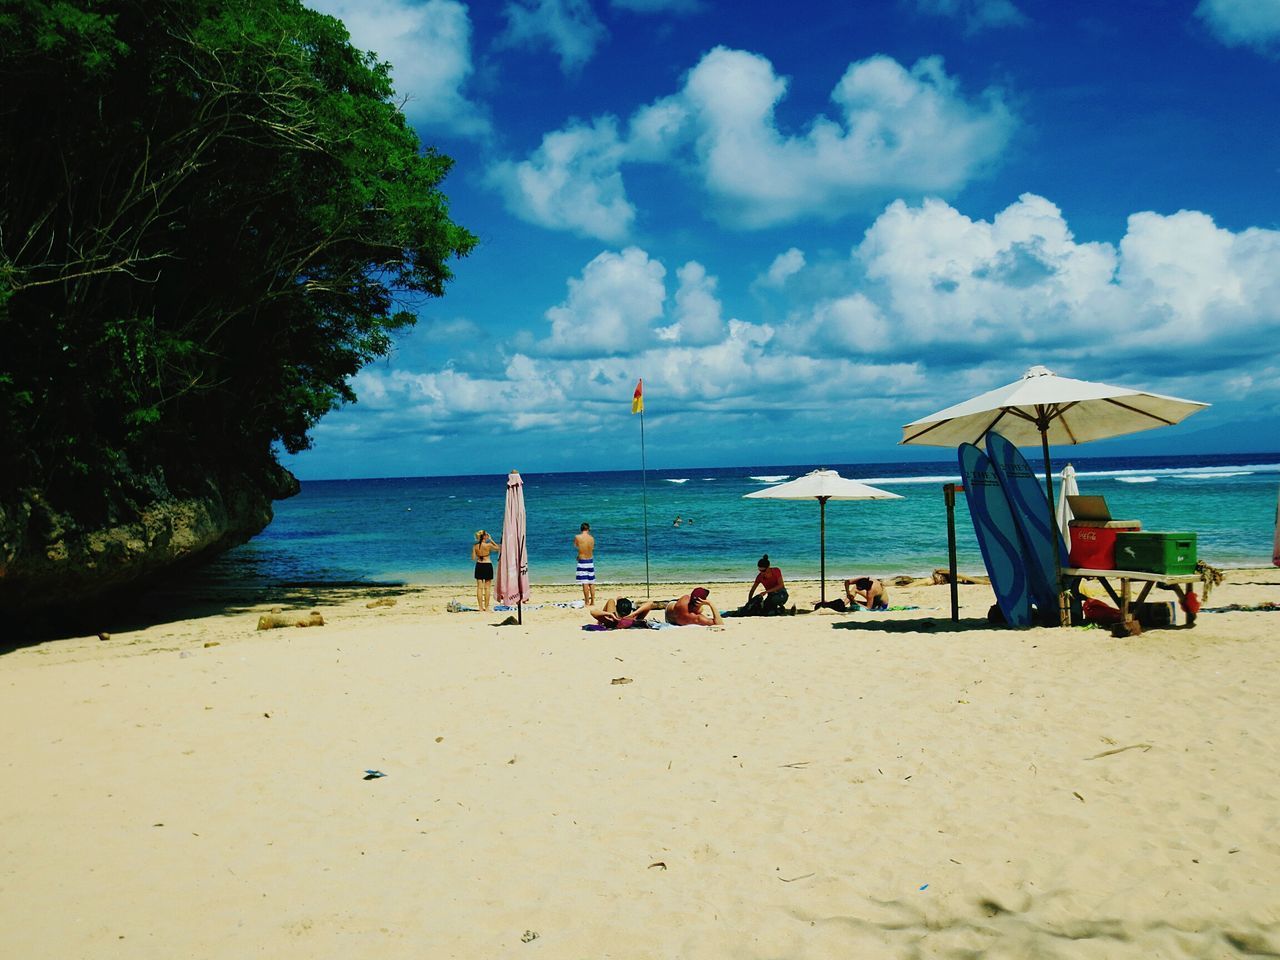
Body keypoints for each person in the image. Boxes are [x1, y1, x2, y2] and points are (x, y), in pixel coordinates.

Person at [471, 529, 500, 611]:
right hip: (487, 565)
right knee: (487, 588)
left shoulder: (475, 546)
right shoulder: (488, 545)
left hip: (479, 565)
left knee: (479, 588)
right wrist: (491, 540)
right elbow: (498, 548)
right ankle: (486, 607)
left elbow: (473, 558)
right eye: (486, 535)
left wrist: (478, 554)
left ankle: (480, 607)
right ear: (484, 536)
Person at [588, 596, 661, 629]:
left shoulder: (612, 620)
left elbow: (593, 612)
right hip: (629, 619)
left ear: (616, 609)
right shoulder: (634, 620)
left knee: (611, 600)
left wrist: (609, 614)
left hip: (615, 618)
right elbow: (650, 604)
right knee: (619, 598)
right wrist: (633, 614)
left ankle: (599, 622)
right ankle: (621, 601)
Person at [574, 521, 596, 606]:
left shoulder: (577, 537)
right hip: (590, 561)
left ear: (581, 529)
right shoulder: (592, 538)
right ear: (588, 529)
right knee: (591, 582)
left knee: (585, 583)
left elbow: (576, 546)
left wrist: (579, 555)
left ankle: (587, 602)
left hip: (582, 561)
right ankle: (593, 601)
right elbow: (591, 548)